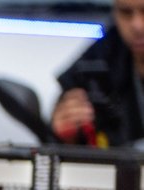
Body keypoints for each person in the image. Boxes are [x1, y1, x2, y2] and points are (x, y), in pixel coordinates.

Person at [53, 0, 144, 145]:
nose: (137, 25)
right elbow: (58, 140)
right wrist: (67, 136)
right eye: (126, 13)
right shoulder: (95, 65)